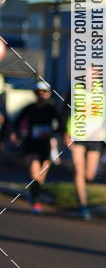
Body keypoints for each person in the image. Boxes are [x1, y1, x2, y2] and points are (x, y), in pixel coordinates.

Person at [10, 81, 64, 213]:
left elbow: (61, 127)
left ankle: (34, 196)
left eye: (44, 92)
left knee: (40, 178)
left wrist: (51, 132)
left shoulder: (52, 109)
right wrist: (14, 134)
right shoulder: (30, 108)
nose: (41, 95)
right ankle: (36, 203)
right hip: (31, 144)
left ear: (49, 93)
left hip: (45, 146)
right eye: (38, 92)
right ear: (35, 94)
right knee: (34, 174)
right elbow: (16, 122)